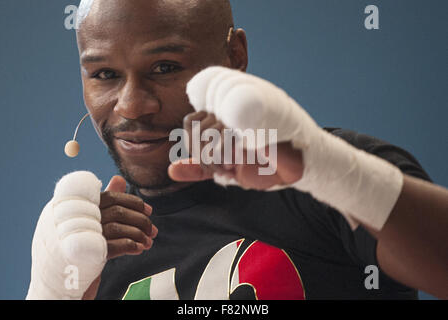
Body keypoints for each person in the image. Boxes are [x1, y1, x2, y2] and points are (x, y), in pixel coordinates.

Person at [27, 0, 448, 300]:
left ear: (234, 56)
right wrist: (48, 292)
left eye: (165, 67)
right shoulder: (93, 246)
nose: (132, 104)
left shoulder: (335, 169)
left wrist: (326, 168)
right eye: (104, 74)